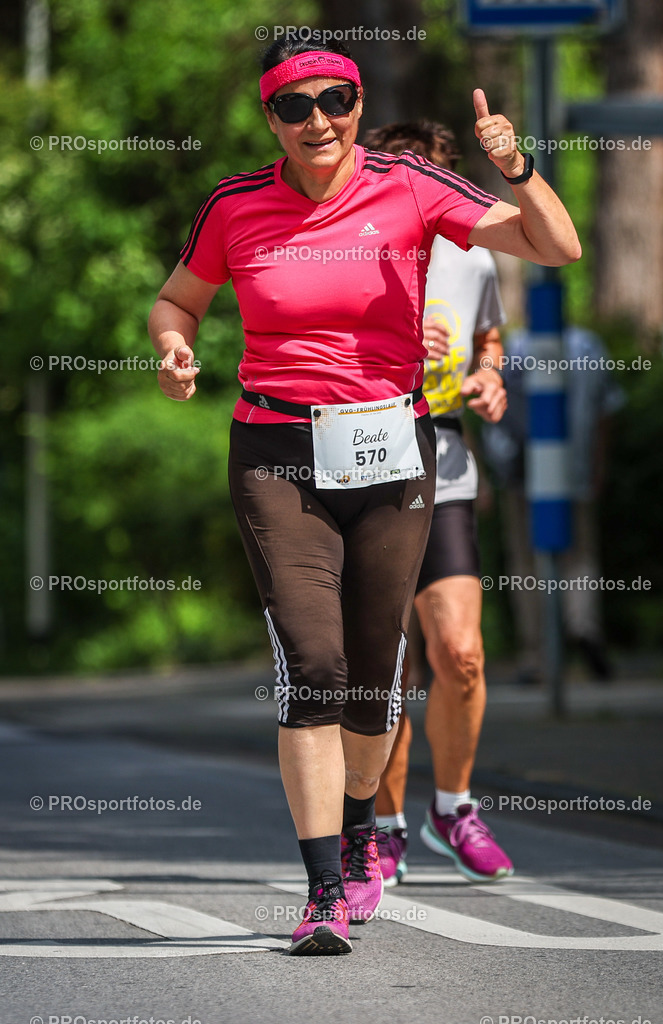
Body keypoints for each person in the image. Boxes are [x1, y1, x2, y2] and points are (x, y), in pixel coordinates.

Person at [148, 33, 580, 957]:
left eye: (334, 101)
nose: (318, 121)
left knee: (374, 678)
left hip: (389, 441)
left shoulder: (409, 185)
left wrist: (518, 165)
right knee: (313, 665)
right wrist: (174, 346)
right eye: (294, 106)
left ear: (355, 105)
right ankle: (319, 892)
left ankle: (357, 826)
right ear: (270, 117)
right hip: (275, 448)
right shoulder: (233, 203)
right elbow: (178, 297)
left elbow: (556, 245)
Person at [362, 121, 513, 887]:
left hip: (445, 462)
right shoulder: (348, 250)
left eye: (434, 179)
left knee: (458, 652)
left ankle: (451, 807)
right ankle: (384, 828)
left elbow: (487, 337)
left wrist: (489, 376)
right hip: (362, 463)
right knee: (386, 667)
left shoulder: (473, 253)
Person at [482, 326, 625, 684]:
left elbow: (496, 407)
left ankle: (536, 654)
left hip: (524, 471)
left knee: (526, 562)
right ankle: (583, 626)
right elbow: (606, 411)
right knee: (579, 555)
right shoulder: (588, 345)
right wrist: (597, 466)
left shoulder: (516, 345)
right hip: (573, 470)